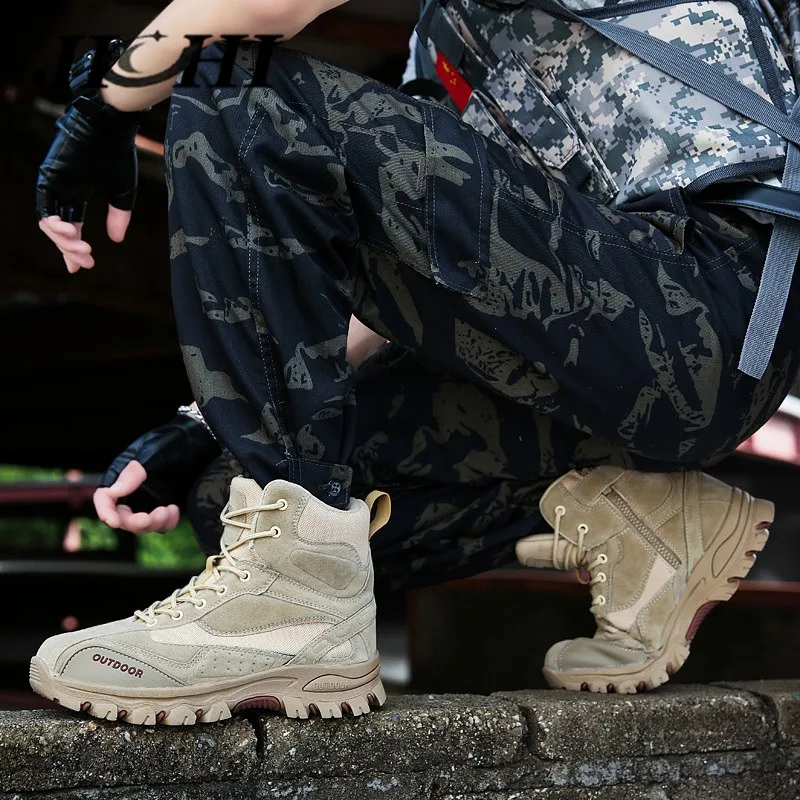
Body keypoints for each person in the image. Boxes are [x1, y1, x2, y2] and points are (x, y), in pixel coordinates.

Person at [30, 0, 800, 726]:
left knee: (233, 80)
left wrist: (105, 104)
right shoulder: (444, 39)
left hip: (710, 303)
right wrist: (204, 419)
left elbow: (253, 14)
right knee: (227, 487)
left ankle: (297, 606)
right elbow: (404, 274)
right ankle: (646, 519)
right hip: (604, 339)